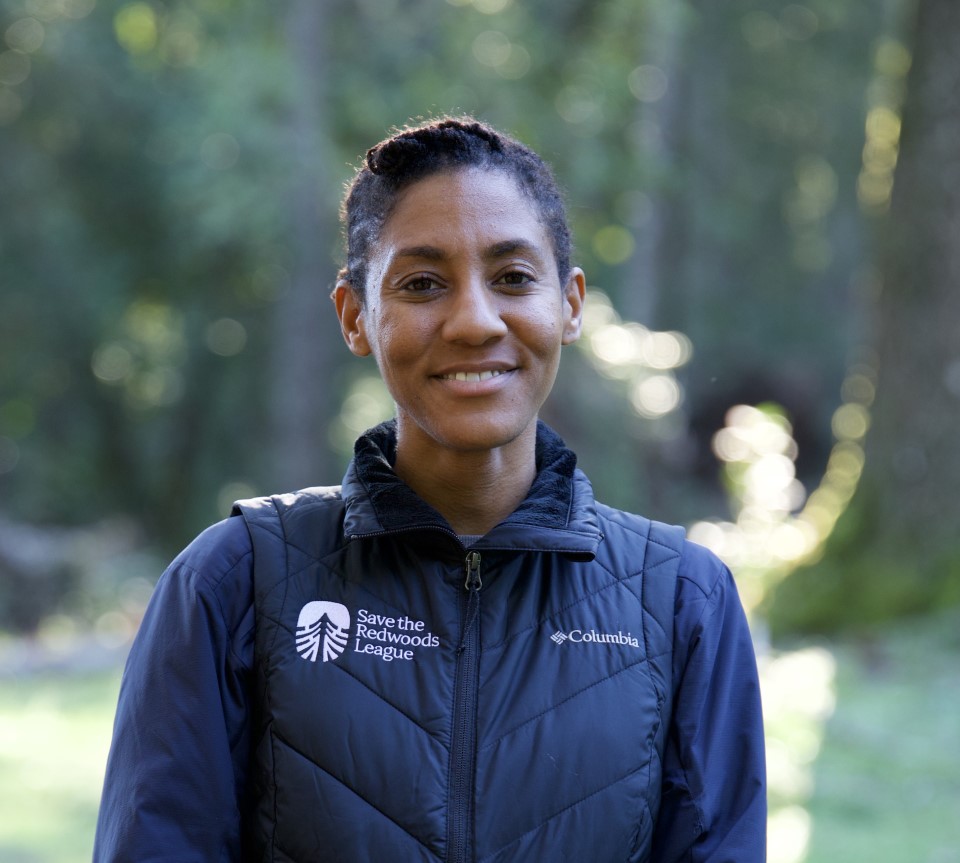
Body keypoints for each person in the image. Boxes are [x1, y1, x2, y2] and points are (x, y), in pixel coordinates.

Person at [94, 116, 766, 862]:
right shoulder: (232, 582)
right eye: (422, 283)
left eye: (513, 277)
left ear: (569, 304)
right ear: (357, 316)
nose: (475, 320)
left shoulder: (682, 599)